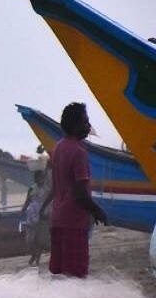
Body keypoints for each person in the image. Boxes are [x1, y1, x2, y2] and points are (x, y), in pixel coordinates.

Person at [40, 102, 108, 277]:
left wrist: (43, 207)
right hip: (74, 223)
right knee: (75, 276)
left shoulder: (58, 148)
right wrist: (98, 211)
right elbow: (80, 194)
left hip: (57, 220)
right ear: (75, 125)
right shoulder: (79, 152)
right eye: (85, 122)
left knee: (58, 273)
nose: (88, 126)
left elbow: (56, 185)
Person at [22, 169, 51, 267]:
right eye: (38, 178)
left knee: (40, 239)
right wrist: (23, 209)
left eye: (42, 178)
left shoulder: (47, 189)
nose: (40, 180)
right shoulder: (31, 189)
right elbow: (27, 201)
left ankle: (37, 259)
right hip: (31, 216)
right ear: (35, 179)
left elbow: (50, 202)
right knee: (29, 240)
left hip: (43, 216)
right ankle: (34, 255)